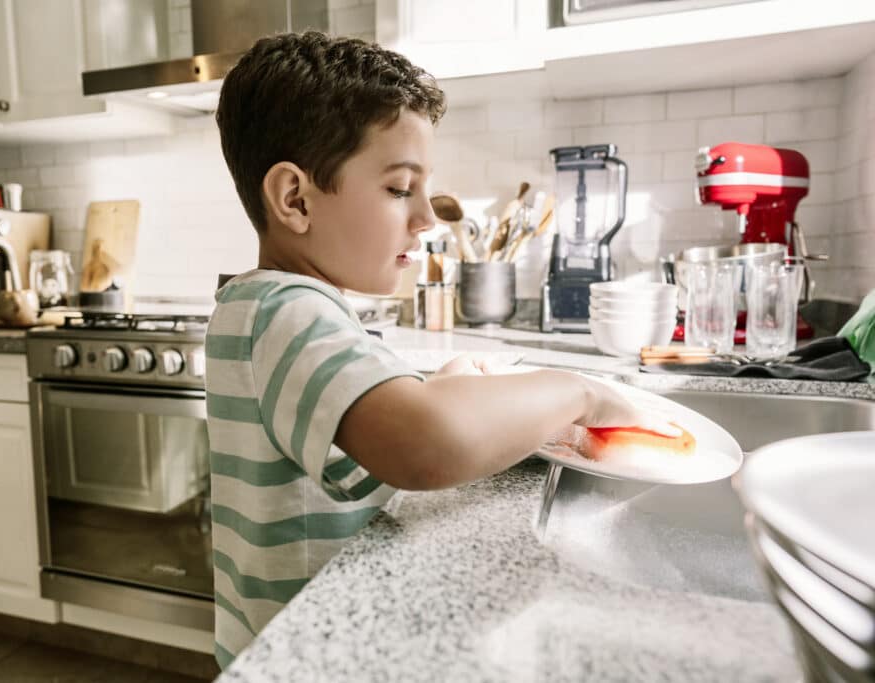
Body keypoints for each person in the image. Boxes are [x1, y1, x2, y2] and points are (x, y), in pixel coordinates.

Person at [205, 31, 674, 668]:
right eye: (400, 188)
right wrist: (580, 392)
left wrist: (444, 389)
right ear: (295, 199)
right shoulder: (286, 311)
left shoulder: (269, 307)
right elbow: (423, 446)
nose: (427, 216)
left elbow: (355, 447)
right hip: (314, 659)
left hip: (291, 645)